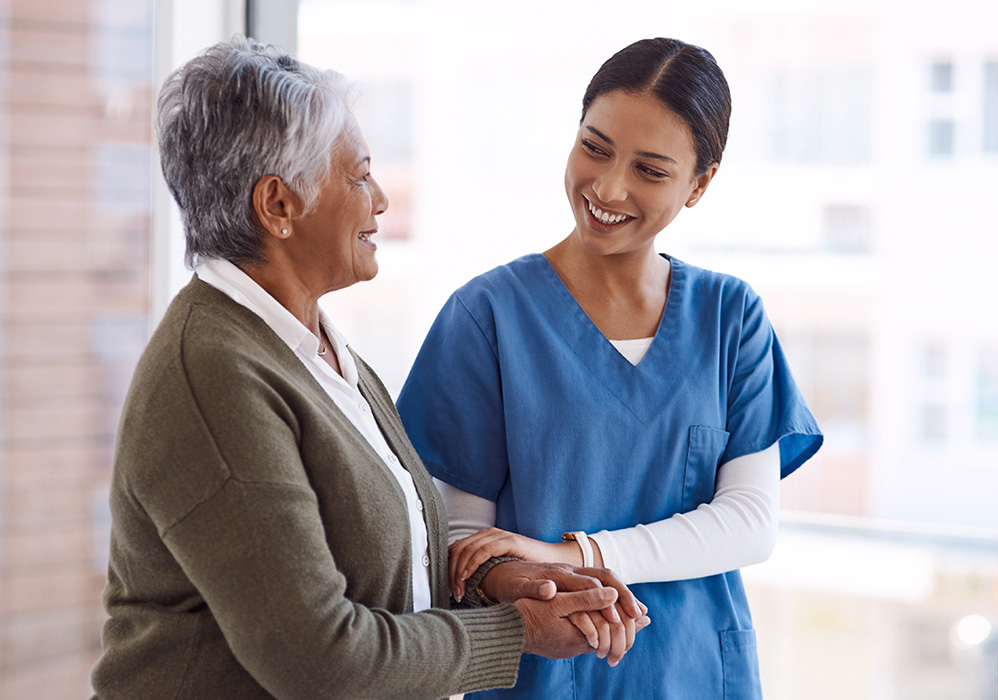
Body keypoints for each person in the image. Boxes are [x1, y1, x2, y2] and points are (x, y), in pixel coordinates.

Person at [89, 36, 650, 700]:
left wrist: (496, 579)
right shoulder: (214, 373)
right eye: (358, 176)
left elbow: (366, 561)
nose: (380, 199)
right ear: (278, 206)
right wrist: (516, 630)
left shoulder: (310, 346)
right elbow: (320, 659)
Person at [397, 37, 824, 699]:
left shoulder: (730, 317)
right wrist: (530, 576)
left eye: (651, 170)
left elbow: (748, 522)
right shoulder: (487, 316)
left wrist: (577, 554)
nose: (608, 186)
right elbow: (465, 541)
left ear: (700, 184)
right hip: (542, 675)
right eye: (594, 147)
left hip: (696, 674)